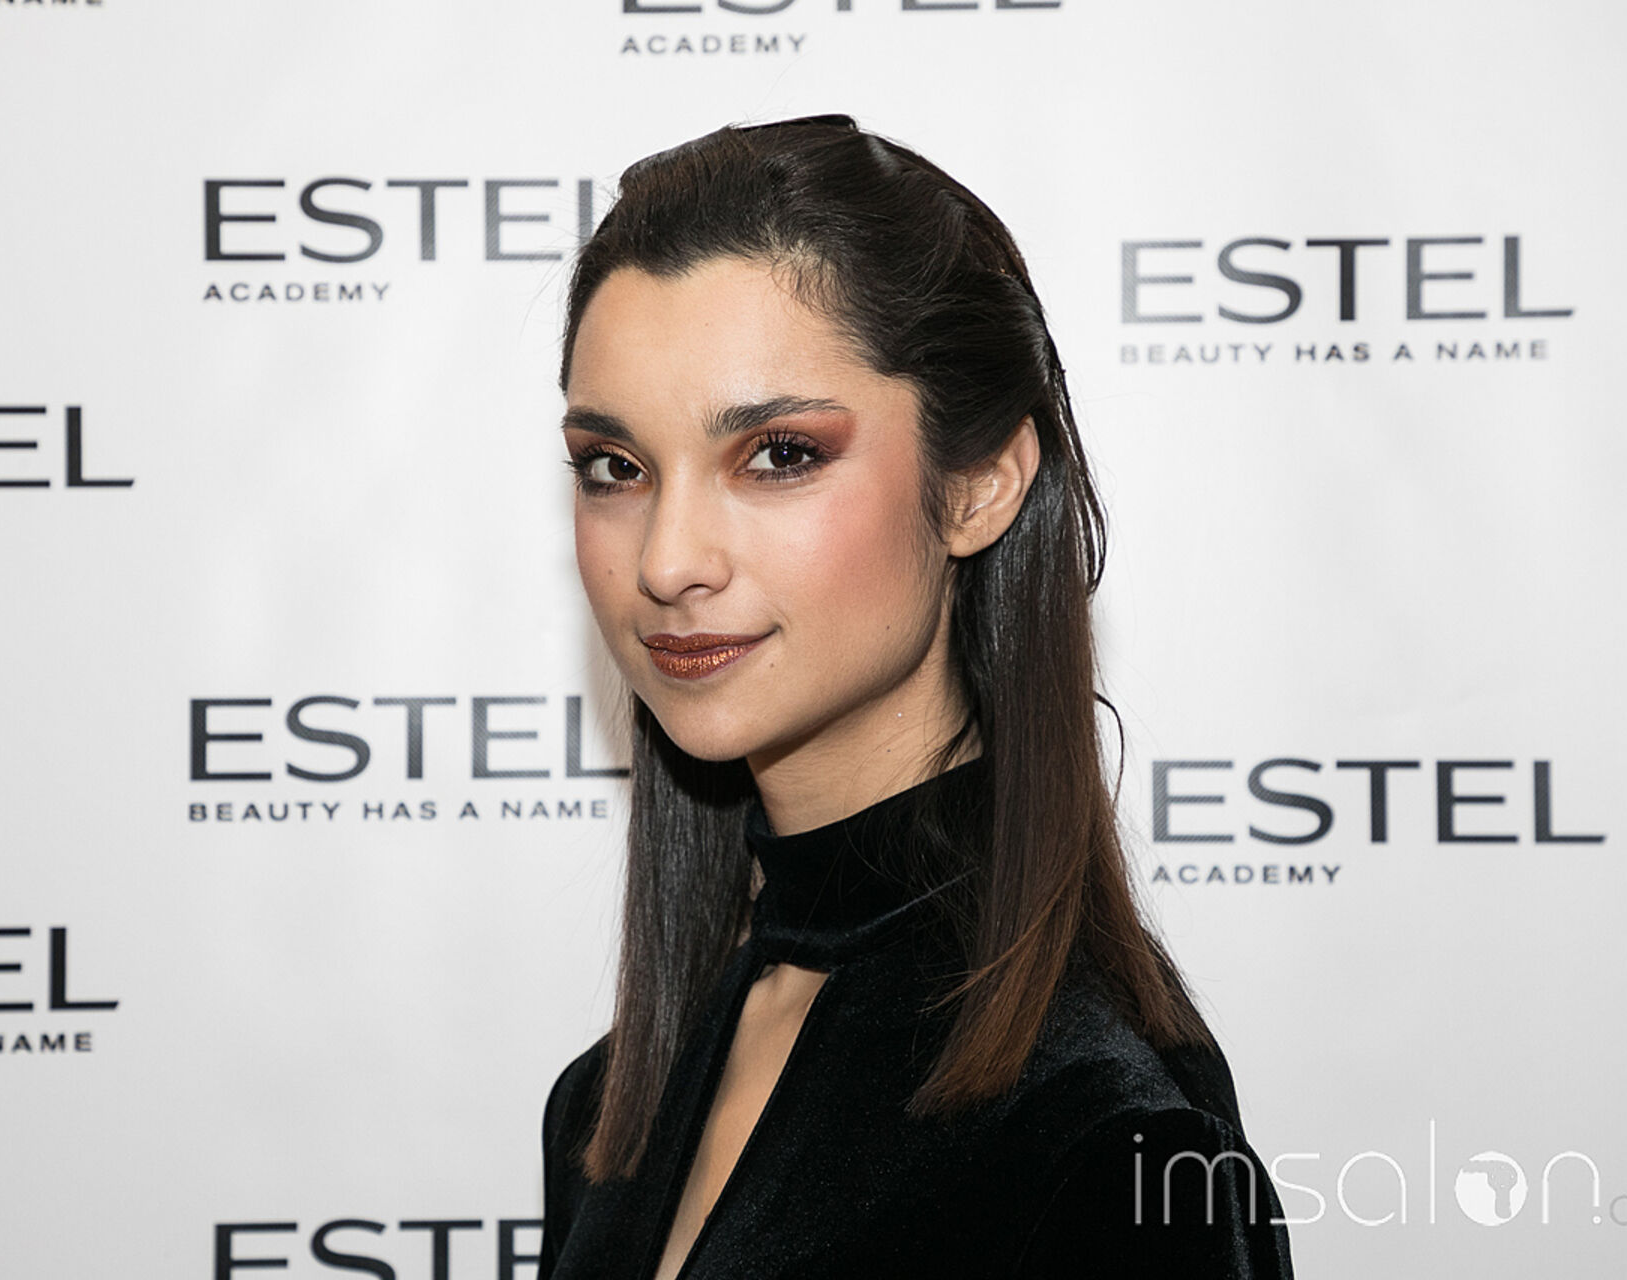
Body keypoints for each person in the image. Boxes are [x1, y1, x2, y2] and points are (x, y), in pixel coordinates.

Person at [539, 114, 1295, 1279]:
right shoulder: (603, 1109)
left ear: (980, 483)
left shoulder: (1101, 1129)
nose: (668, 559)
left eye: (779, 454)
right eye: (617, 466)